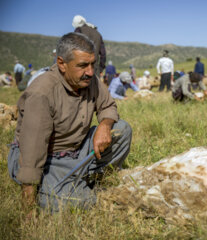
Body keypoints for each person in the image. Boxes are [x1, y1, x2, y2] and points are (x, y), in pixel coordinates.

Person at [7, 32, 132, 211]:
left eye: (92, 64)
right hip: (47, 159)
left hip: (77, 151)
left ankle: (87, 177)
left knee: (122, 129)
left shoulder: (90, 80)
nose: (90, 72)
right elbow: (32, 151)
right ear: (61, 64)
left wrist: (104, 126)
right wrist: (28, 205)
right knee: (80, 203)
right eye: (82, 65)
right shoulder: (42, 93)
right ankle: (56, 186)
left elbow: (108, 106)